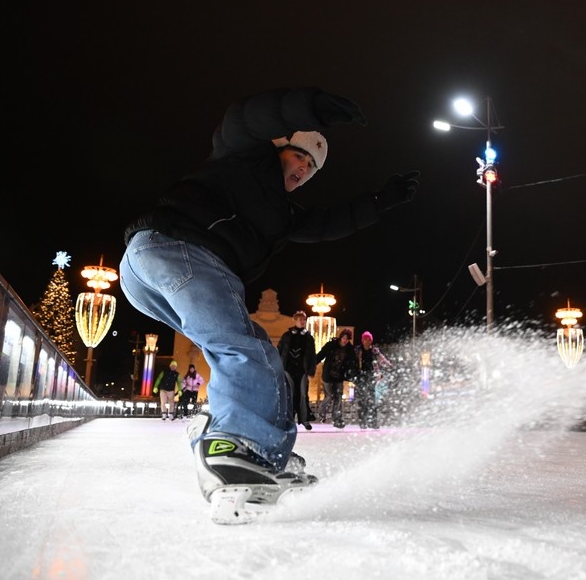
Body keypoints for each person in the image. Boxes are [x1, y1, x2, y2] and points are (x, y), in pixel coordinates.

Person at [118, 86, 419, 523]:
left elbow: (330, 223)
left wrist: (379, 202)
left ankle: (251, 445)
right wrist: (307, 109)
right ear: (281, 145)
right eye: (298, 156)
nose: (302, 169)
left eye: (310, 167)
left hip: (150, 268)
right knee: (245, 349)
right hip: (182, 249)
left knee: (254, 348)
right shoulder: (243, 155)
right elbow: (246, 118)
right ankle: (234, 449)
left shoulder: (284, 214)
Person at [276, 310, 316, 430]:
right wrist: (278, 367)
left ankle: (304, 419)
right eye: (300, 319)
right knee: (290, 394)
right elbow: (279, 351)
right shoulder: (287, 335)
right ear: (295, 320)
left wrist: (311, 371)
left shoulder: (308, 337)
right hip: (288, 369)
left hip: (302, 370)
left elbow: (313, 355)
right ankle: (289, 419)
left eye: (304, 319)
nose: (302, 321)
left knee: (303, 394)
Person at [316, 329, 355, 429]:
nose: (345, 341)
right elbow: (321, 355)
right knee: (330, 395)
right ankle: (321, 413)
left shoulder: (349, 349)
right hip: (328, 376)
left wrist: (352, 374)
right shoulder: (331, 345)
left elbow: (352, 363)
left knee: (338, 397)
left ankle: (337, 419)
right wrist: (312, 366)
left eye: (347, 339)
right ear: (341, 337)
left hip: (339, 377)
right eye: (343, 338)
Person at [353, 330, 392, 429]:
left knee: (371, 400)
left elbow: (381, 359)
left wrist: (389, 365)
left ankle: (373, 422)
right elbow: (352, 361)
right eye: (365, 339)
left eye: (369, 339)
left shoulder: (374, 350)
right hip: (360, 377)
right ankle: (362, 422)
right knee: (362, 400)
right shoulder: (358, 350)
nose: (367, 341)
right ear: (362, 340)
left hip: (371, 376)